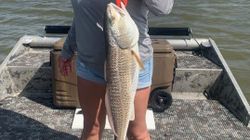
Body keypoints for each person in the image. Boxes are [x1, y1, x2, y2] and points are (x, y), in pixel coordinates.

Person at [59, 0, 174, 140]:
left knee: (137, 132)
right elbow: (82, 15)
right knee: (92, 129)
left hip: (135, 60)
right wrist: (68, 48)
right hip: (89, 63)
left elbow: (164, 8)